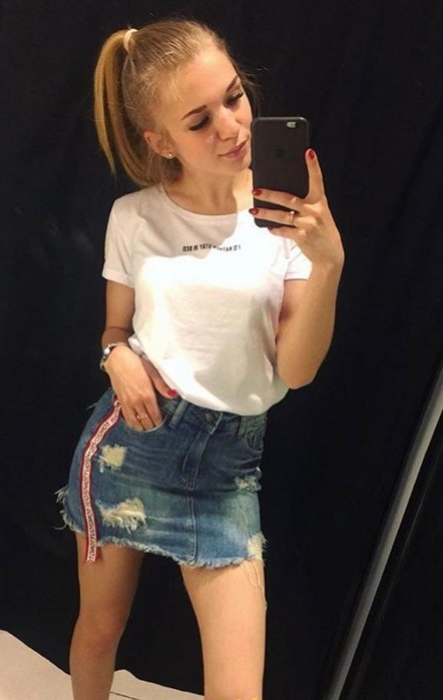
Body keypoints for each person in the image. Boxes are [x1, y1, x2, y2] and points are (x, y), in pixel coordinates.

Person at [57, 17, 344, 700]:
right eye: (199, 119)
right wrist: (116, 356)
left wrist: (328, 263)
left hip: (227, 468)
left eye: (234, 97)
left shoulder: (287, 219)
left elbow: (296, 371)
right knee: (99, 630)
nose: (232, 127)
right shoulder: (134, 217)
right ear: (160, 141)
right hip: (132, 442)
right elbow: (115, 328)